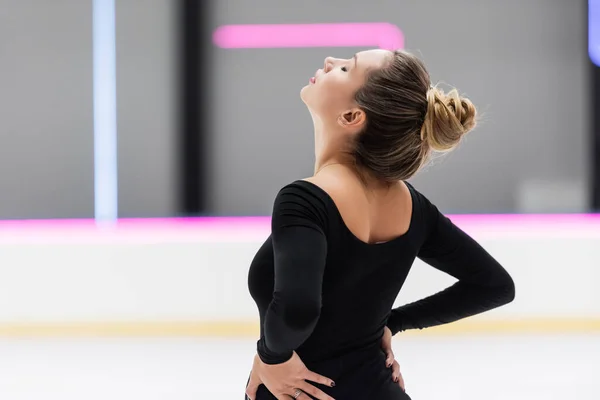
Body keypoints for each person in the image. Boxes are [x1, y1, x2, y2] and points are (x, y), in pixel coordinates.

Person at [244, 49, 515, 400]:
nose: (329, 61)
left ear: (352, 115)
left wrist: (272, 356)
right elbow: (494, 285)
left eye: (345, 68)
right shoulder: (412, 206)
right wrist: (393, 322)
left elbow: (298, 311)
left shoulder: (305, 200)